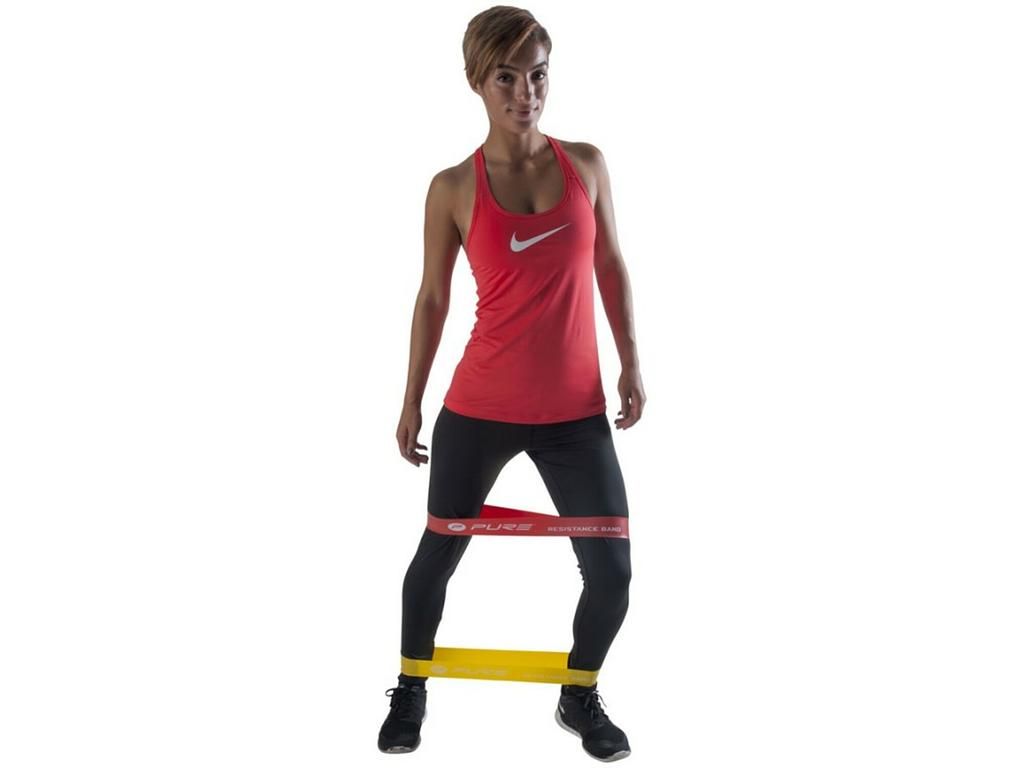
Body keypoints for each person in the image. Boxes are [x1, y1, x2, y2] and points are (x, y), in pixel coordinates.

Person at [378, 6, 646, 761]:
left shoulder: (587, 165)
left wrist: (630, 360)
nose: (526, 93)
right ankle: (411, 686)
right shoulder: (452, 188)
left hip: (575, 415)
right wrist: (410, 401)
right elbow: (432, 298)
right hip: (479, 407)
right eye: (507, 78)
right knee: (438, 555)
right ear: (477, 81)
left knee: (613, 572)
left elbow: (610, 265)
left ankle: (579, 693)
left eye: (538, 75)